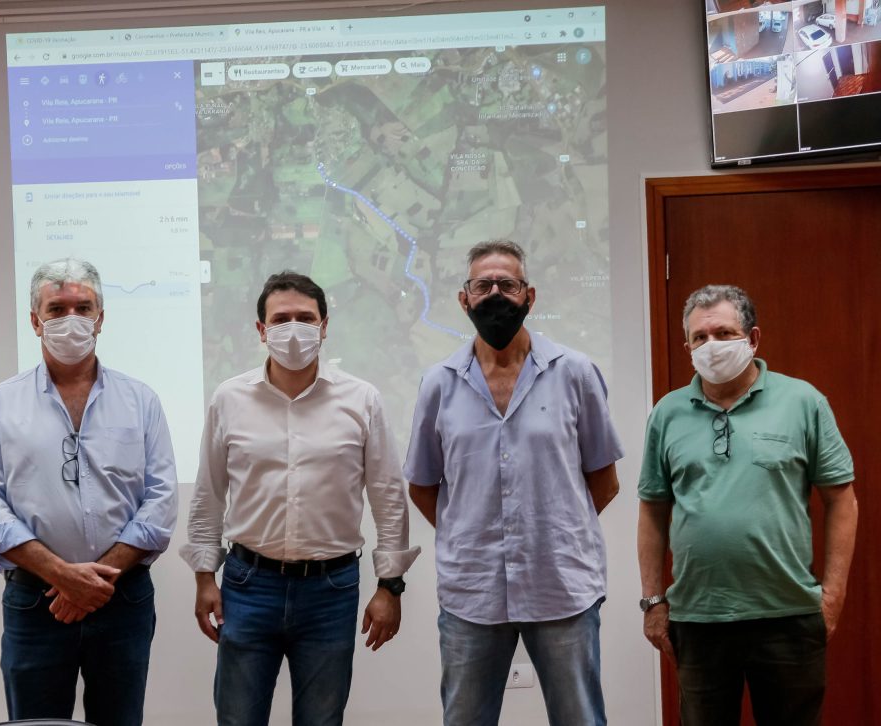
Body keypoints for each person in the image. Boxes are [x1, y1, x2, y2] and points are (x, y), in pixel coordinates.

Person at [180, 270, 419, 726]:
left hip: (331, 590)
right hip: (248, 586)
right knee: (237, 719)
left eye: (306, 319)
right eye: (281, 319)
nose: (294, 330)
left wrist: (390, 586)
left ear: (324, 326)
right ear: (261, 329)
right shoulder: (229, 399)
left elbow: (388, 497)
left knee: (322, 721)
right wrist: (204, 577)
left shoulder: (361, 399)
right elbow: (209, 493)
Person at [404, 239, 623, 726]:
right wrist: (468, 531)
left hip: (562, 585)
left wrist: (555, 526)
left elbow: (604, 480)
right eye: (483, 286)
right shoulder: (438, 383)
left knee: (580, 719)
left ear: (530, 296)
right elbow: (422, 484)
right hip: (471, 590)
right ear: (464, 299)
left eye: (508, 284)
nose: (496, 295)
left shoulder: (575, 372)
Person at [0, 258, 178, 726]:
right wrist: (63, 576)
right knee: (36, 725)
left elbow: (161, 500)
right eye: (56, 309)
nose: (71, 319)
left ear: (100, 318)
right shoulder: (0, 404)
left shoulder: (140, 400)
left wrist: (93, 583)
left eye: (83, 308)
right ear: (35, 320)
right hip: (35, 600)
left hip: (122, 600)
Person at [637, 284, 857, 726]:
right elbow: (652, 511)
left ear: (752, 339)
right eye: (700, 337)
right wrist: (653, 601)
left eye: (724, 333)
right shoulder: (667, 413)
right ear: (687, 347)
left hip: (788, 615)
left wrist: (832, 597)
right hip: (698, 618)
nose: (711, 345)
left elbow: (842, 501)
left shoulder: (804, 402)